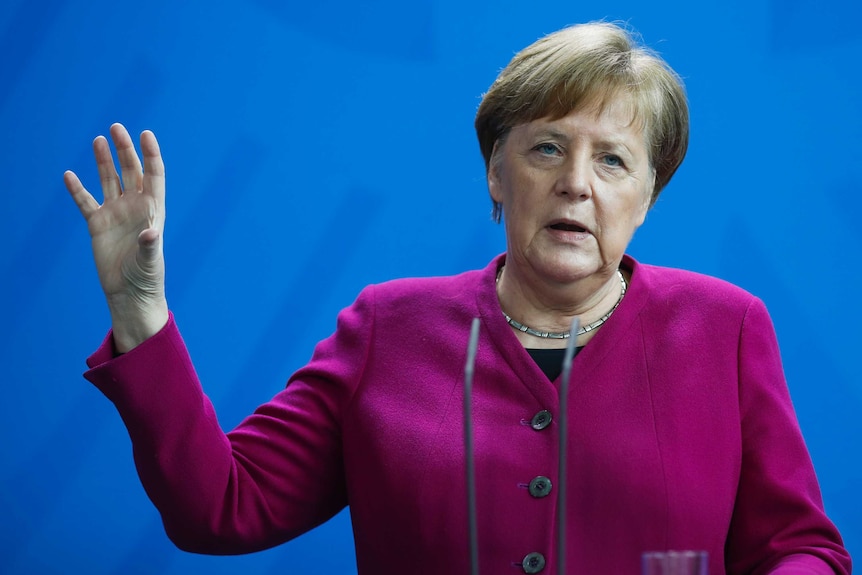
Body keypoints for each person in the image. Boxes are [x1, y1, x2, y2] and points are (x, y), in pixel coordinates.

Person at [64, 21, 851, 575]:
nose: (575, 181)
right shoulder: (387, 327)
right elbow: (223, 507)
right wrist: (141, 311)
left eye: (613, 160)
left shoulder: (728, 328)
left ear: (648, 197)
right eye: (547, 148)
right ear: (496, 176)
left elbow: (800, 547)